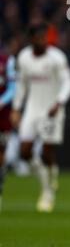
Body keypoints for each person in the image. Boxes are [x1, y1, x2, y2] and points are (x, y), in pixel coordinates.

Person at [11, 23, 70, 213]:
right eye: (39, 38)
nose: (43, 41)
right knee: (24, 152)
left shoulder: (56, 57)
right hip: (32, 109)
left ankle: (47, 193)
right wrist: (16, 108)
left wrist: (59, 102)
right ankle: (47, 174)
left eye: (45, 37)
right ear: (31, 40)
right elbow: (21, 85)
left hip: (52, 110)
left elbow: (68, 82)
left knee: (46, 151)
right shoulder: (24, 57)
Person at [0, 44, 17, 211]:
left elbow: (13, 87)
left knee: (1, 153)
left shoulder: (8, 61)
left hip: (2, 116)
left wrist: (2, 102)